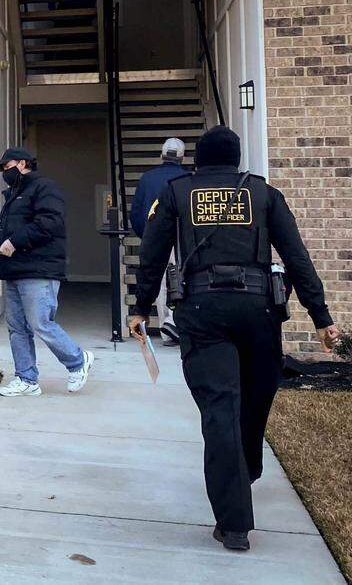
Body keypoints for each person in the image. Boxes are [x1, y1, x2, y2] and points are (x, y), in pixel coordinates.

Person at [130, 126, 342, 552]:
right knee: (253, 398)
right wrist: (321, 316)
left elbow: (152, 253)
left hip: (203, 310)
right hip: (259, 311)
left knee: (220, 408)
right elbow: (296, 255)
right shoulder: (264, 194)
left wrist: (141, 307)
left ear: (199, 160)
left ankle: (233, 520)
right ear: (237, 158)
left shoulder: (176, 192)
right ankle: (239, 496)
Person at [0, 147, 95, 397]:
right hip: (14, 269)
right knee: (17, 327)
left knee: (40, 323)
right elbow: (17, 229)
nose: (5, 172)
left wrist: (14, 242)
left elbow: (49, 223)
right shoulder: (14, 194)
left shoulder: (45, 187)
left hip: (39, 269)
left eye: (7, 166)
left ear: (23, 163)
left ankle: (78, 360)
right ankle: (27, 379)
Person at [129, 137, 190, 345]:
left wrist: (146, 235)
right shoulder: (188, 179)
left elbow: (136, 212)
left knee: (160, 282)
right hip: (183, 240)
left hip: (155, 237)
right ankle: (179, 324)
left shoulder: (147, 179)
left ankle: (167, 329)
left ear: (162, 155)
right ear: (183, 158)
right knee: (182, 281)